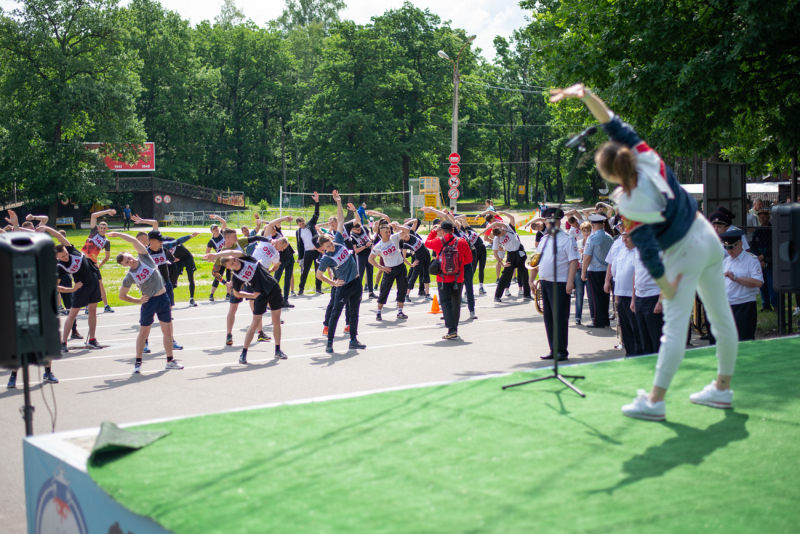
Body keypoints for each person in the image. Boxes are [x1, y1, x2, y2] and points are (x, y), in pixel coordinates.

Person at [551, 83, 738, 421]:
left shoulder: (629, 203)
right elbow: (612, 122)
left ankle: (655, 401)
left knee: (674, 328)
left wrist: (666, 287)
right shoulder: (648, 156)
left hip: (682, 252)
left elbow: (649, 253)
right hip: (707, 236)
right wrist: (587, 95)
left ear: (610, 174)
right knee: (721, 316)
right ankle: (722, 387)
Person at [110, 232, 184, 373]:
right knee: (143, 333)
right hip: (149, 302)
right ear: (124, 266)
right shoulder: (129, 276)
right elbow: (122, 296)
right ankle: (138, 363)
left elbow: (134, 241)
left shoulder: (144, 257)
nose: (130, 261)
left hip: (163, 299)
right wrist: (138, 300)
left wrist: (119, 234)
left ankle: (170, 361)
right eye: (126, 262)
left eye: (129, 257)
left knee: (167, 331)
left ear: (131, 254)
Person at [206, 250, 288, 363]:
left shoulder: (247, 259)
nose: (235, 262)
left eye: (234, 259)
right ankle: (244, 353)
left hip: (273, 288)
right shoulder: (236, 277)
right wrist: (253, 295)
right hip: (260, 294)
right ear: (229, 267)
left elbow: (232, 251)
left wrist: (216, 255)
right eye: (232, 263)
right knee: (255, 323)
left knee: (276, 320)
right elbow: (237, 293)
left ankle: (278, 350)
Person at [39, 224, 104, 352]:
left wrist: (46, 228)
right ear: (57, 257)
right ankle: (63, 342)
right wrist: (72, 290)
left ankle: (92, 339)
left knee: (93, 311)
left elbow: (58, 236)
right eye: (62, 256)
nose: (66, 257)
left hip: (93, 281)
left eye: (66, 254)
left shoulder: (70, 249)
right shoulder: (60, 267)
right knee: (72, 314)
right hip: (81, 287)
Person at [316, 190, 366, 353]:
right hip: (343, 286)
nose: (331, 247)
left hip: (356, 282)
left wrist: (338, 202)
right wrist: (333, 283)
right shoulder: (326, 258)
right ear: (323, 248)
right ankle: (330, 342)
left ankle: (353, 340)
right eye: (327, 246)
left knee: (354, 313)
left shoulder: (338, 241)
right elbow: (319, 275)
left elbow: (341, 220)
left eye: (330, 244)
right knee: (335, 314)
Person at [527, 207, 579, 360]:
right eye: (548, 222)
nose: (550, 224)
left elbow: (573, 261)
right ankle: (553, 349)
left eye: (553, 221)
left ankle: (562, 351)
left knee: (560, 318)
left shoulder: (567, 239)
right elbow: (535, 260)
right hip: (545, 282)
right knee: (548, 318)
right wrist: (531, 279)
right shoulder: (544, 239)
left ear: (559, 222)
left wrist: (570, 282)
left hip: (560, 283)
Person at [425, 220, 473, 339]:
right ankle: (454, 329)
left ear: (442, 231)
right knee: (456, 303)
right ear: (452, 230)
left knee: (445, 302)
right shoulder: (461, 241)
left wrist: (433, 232)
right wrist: (458, 264)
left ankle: (451, 330)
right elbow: (469, 259)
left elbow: (426, 243)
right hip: (458, 277)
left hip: (443, 278)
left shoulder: (438, 241)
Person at [720, 230, 763, 341]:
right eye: (727, 248)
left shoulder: (751, 260)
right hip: (727, 305)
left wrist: (736, 278)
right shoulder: (726, 261)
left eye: (732, 248)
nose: (730, 251)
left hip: (744, 305)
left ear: (740, 243)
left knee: (745, 340)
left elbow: (758, 282)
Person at [368, 217, 410, 322]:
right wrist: (381, 267)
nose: (388, 233)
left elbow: (407, 231)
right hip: (389, 270)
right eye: (386, 232)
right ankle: (378, 312)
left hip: (400, 267)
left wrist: (397, 226)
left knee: (402, 289)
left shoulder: (394, 237)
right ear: (381, 233)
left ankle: (400, 311)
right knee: (384, 291)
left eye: (389, 231)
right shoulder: (378, 246)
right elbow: (370, 259)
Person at [486, 212, 531, 302]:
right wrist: (501, 263)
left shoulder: (508, 229)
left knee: (525, 274)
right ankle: (497, 296)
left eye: (502, 230)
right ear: (498, 235)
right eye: (501, 233)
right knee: (505, 275)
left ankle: (527, 295)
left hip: (520, 252)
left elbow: (501, 222)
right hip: (511, 255)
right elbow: (495, 252)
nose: (503, 232)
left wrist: (484, 231)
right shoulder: (497, 238)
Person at [610, 232, 641, 356]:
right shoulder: (622, 251)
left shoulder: (638, 252)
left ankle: (638, 353)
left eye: (627, 237)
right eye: (623, 237)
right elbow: (616, 274)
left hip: (633, 295)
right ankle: (629, 353)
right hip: (621, 294)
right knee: (625, 327)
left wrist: (634, 298)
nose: (624, 239)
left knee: (636, 327)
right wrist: (616, 296)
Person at [81, 208, 116, 313]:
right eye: (101, 228)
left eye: (104, 228)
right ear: (98, 228)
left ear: (107, 229)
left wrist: (99, 265)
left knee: (100, 283)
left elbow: (107, 257)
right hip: (84, 260)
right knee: (86, 283)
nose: (102, 230)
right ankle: (86, 306)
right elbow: (93, 216)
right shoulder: (93, 232)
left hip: (93, 262)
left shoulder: (106, 242)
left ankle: (106, 306)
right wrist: (107, 211)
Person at [582, 214, 613, 328]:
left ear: (593, 225)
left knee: (595, 297)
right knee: (605, 296)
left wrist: (583, 271)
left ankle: (597, 321)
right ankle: (605, 319)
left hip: (595, 270)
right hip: (607, 270)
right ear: (603, 224)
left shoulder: (592, 238)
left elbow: (587, 256)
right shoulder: (609, 237)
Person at [631, 245, 664, 356]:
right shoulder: (637, 248)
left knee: (656, 336)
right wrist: (633, 299)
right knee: (643, 336)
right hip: (639, 297)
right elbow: (635, 274)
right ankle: (648, 362)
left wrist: (660, 301)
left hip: (653, 296)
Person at [296, 192, 323, 295]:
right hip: (307, 252)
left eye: (303, 223)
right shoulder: (298, 232)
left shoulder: (310, 224)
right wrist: (300, 257)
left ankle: (318, 288)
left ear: (304, 221)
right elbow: (299, 245)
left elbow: (316, 214)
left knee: (318, 270)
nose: (302, 225)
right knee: (305, 271)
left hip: (317, 250)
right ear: (298, 224)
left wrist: (317, 202)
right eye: (300, 224)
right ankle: (301, 289)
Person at [344, 214, 376, 298]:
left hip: (369, 254)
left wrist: (371, 240)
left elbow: (369, 236)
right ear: (352, 229)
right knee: (360, 275)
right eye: (357, 230)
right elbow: (355, 250)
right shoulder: (352, 237)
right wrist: (365, 246)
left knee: (370, 274)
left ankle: (371, 292)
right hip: (361, 256)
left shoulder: (364, 228)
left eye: (360, 229)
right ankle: (359, 293)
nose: (359, 231)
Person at [750, 209, 776, 311]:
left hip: (770, 259)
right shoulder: (757, 231)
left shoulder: (772, 229)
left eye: (764, 217)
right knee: (762, 283)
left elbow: (773, 245)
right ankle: (765, 304)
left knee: (771, 283)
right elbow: (753, 245)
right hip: (759, 261)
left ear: (768, 217)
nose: (761, 219)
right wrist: (758, 257)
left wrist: (764, 256)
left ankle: (775, 304)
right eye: (760, 217)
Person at [207, 217, 232, 301]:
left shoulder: (222, 233)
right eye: (214, 229)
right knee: (217, 276)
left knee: (229, 276)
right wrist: (214, 260)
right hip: (220, 260)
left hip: (228, 258)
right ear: (212, 231)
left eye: (217, 227)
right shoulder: (211, 241)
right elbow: (207, 253)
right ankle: (211, 295)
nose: (216, 229)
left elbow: (224, 222)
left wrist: (216, 217)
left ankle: (228, 294)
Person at [573, 221, 592, 325]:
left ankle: (593, 316)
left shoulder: (592, 241)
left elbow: (591, 256)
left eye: (588, 231)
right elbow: (575, 256)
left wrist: (584, 252)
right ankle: (578, 316)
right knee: (579, 293)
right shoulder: (578, 242)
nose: (586, 233)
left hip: (589, 269)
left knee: (590, 294)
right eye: (584, 231)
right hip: (579, 268)